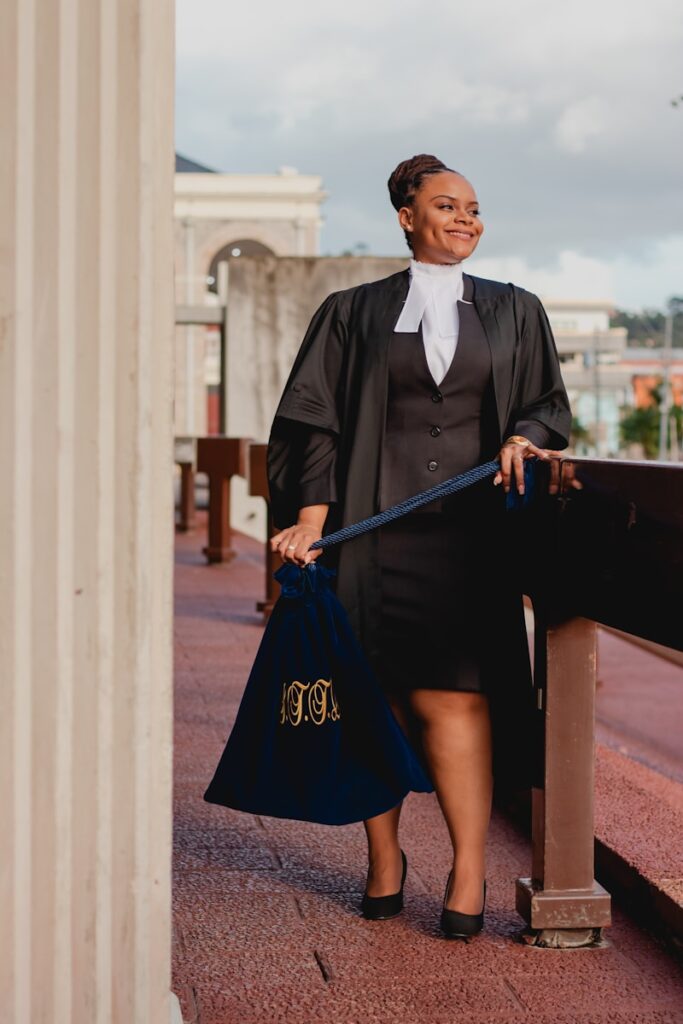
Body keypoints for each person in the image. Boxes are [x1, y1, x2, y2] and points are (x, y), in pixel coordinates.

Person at [266, 154, 572, 938]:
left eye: (473, 206)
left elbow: (544, 405)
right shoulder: (351, 311)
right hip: (369, 531)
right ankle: (384, 858)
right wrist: (310, 515)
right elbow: (315, 419)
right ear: (407, 217)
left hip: (468, 538)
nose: (465, 217)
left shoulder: (514, 309)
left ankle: (467, 868)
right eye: (446, 205)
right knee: (378, 698)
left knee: (456, 697)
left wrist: (523, 436)